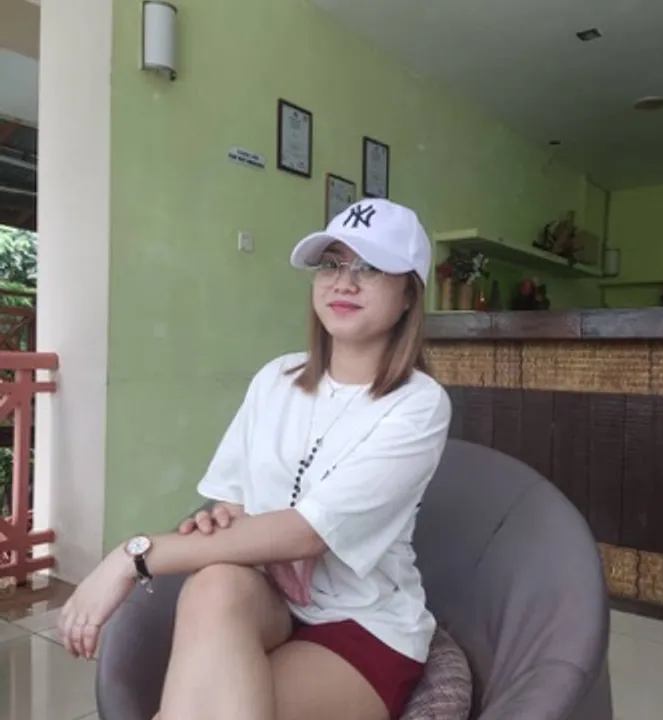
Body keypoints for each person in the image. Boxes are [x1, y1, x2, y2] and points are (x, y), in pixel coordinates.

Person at [58, 198, 452, 720]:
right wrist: (222, 519)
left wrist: (132, 557)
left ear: (408, 296)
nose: (344, 282)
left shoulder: (419, 404)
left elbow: (308, 533)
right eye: (331, 264)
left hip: (362, 624)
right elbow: (233, 500)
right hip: (268, 600)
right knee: (214, 582)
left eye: (370, 267)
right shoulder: (276, 379)